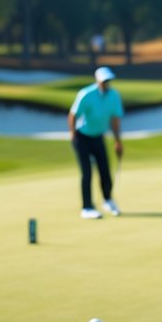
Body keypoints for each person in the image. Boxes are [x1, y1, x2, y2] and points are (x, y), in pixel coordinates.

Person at [68, 66, 123, 219]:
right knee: (87, 172)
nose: (106, 83)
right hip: (82, 137)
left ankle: (108, 200)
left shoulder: (114, 96)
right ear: (97, 80)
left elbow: (115, 119)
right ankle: (86, 208)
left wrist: (118, 141)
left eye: (108, 80)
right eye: (104, 81)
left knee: (104, 170)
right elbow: (72, 115)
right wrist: (72, 135)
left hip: (98, 137)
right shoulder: (86, 94)